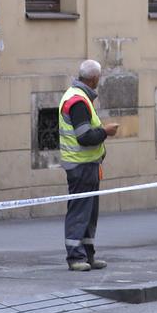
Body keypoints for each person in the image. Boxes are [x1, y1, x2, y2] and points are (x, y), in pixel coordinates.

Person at [59, 59, 120, 271]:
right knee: (80, 212)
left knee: (89, 214)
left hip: (87, 165)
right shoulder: (78, 101)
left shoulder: (79, 97)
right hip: (81, 166)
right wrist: (106, 132)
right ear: (94, 79)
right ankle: (75, 257)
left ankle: (88, 255)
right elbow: (84, 137)